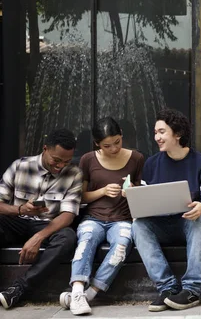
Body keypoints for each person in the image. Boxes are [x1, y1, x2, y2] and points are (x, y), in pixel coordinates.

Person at [132, 108, 201, 312]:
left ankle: (191, 290)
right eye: (155, 133)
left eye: (162, 132)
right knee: (138, 225)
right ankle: (168, 288)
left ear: (177, 134)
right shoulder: (151, 164)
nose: (157, 137)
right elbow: (146, 201)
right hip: (161, 224)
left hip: (189, 223)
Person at [59, 117, 144, 315]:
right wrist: (103, 191)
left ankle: (89, 295)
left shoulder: (137, 158)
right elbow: (80, 197)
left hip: (122, 219)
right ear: (97, 143)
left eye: (117, 142)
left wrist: (132, 191)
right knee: (86, 241)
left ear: (122, 135)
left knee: (121, 247)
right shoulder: (87, 159)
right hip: (94, 218)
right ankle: (78, 290)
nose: (114, 148)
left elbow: (142, 195)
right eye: (107, 145)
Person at [0, 129, 82, 309]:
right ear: (45, 149)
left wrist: (39, 237)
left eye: (66, 161)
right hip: (16, 221)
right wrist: (20, 209)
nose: (60, 166)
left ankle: (18, 289)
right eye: (56, 160)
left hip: (47, 225)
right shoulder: (20, 166)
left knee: (68, 237)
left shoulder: (74, 173)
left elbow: (68, 215)